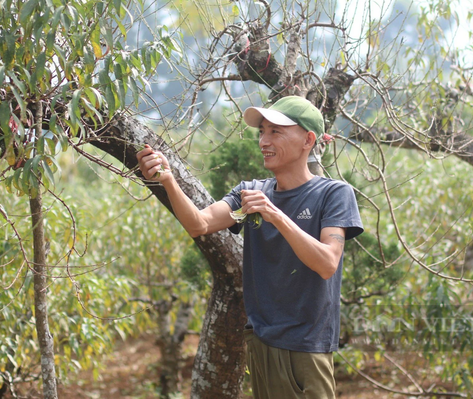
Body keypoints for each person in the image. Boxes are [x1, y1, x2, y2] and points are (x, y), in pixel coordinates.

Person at [137, 96, 363, 399]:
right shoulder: (251, 192)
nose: (264, 142)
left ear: (308, 139)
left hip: (306, 346)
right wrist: (168, 180)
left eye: (276, 132)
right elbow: (199, 224)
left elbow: (326, 263)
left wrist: (275, 215)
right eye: (262, 132)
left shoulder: (333, 193)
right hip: (261, 340)